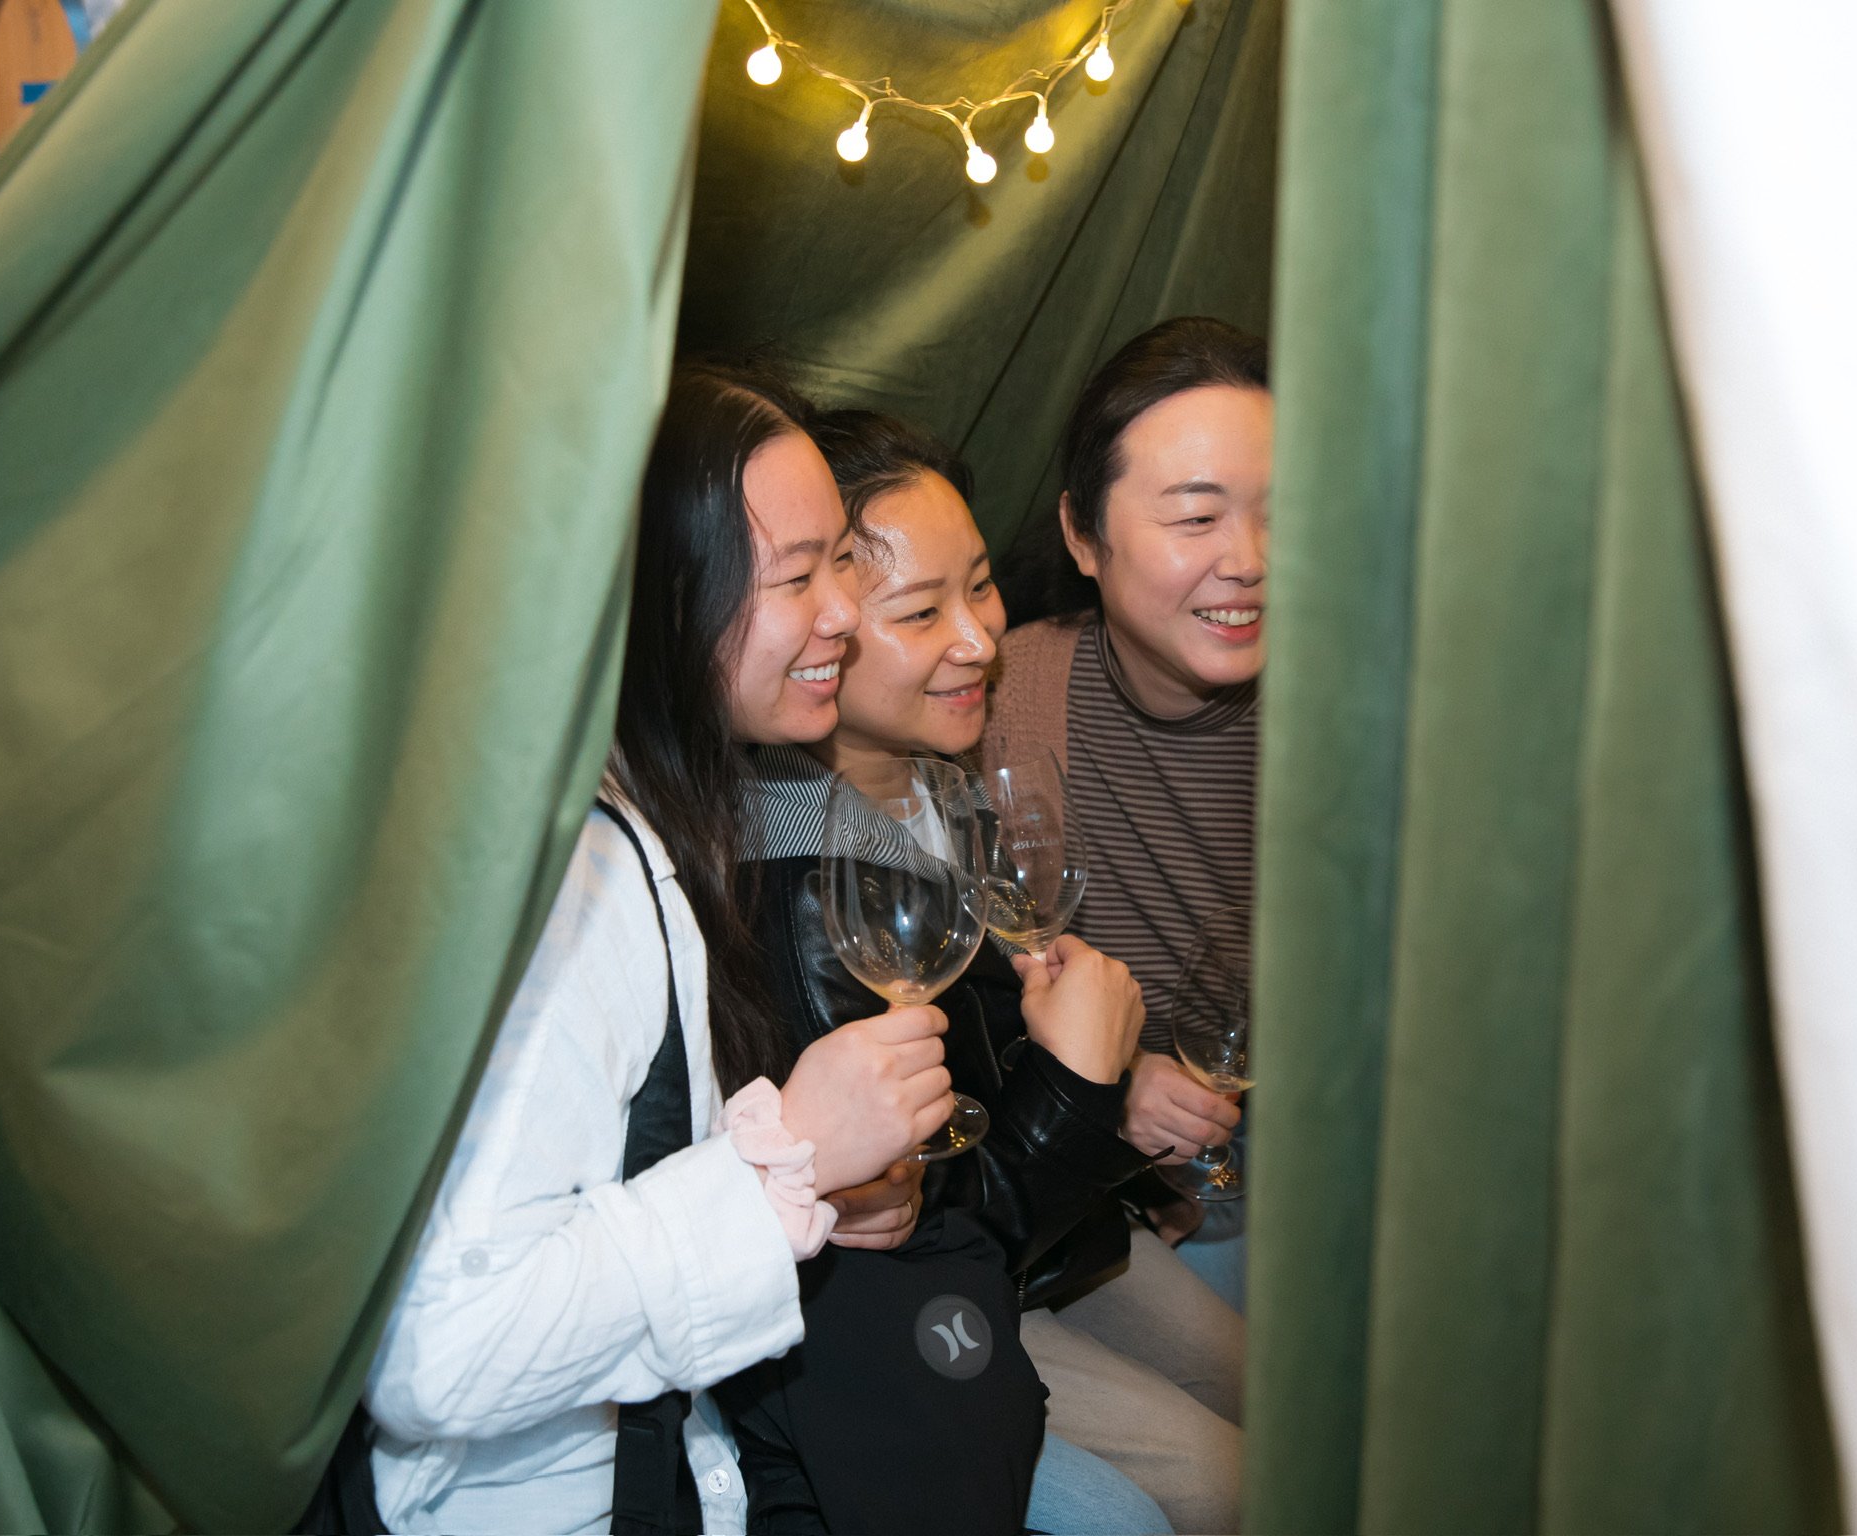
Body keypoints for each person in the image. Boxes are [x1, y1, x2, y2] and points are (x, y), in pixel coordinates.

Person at [358, 364, 959, 1533]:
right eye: (798, 575)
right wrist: (782, 1156)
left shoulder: (655, 828)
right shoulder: (579, 887)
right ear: (662, 601)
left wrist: (813, 1177)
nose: (843, 609)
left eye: (842, 558)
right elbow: (443, 1350)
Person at [732, 406, 1233, 1535]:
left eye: (982, 586)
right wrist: (1085, 1092)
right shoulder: (808, 890)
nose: (979, 639)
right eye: (921, 611)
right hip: (934, 1288)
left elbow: (1001, 1044)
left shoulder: (943, 784)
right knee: (1216, 1488)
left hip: (1051, 1216)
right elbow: (926, 1227)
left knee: (1268, 1381)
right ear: (814, 628)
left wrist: (1123, 1075)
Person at [984, 315, 1271, 1493]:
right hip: (1098, 1205)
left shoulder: (1365, 709)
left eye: (1277, 511)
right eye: (1198, 517)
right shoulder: (998, 703)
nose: (1248, 556)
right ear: (1083, 534)